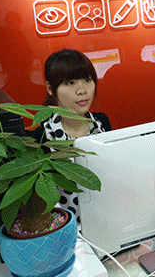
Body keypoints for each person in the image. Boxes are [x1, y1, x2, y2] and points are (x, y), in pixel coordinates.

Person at [27, 49, 112, 219]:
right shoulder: (42, 136)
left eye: (87, 80)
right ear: (51, 88)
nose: (82, 90)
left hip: (107, 216)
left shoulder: (101, 122)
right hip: (68, 225)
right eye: (70, 83)